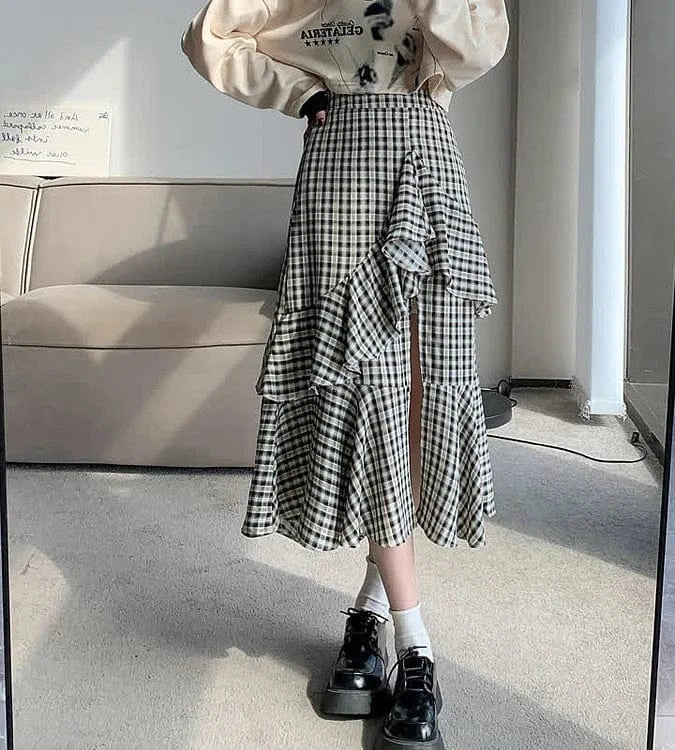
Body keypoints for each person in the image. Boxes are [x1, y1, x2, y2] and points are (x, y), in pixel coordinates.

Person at [181, 2, 509, 747]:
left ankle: (368, 613)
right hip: (342, 168)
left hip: (428, 158)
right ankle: (416, 647)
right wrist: (302, 93)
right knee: (366, 389)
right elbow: (209, 36)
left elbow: (475, 51)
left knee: (424, 390)